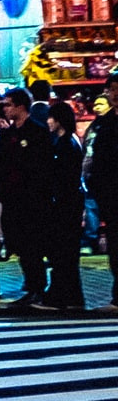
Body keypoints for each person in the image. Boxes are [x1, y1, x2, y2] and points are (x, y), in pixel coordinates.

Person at [0, 88, 54, 309]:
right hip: (11, 200)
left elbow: (42, 169)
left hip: (32, 200)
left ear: (20, 106)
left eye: (8, 104)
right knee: (18, 243)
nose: (5, 109)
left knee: (32, 245)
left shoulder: (37, 132)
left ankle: (37, 287)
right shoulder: (7, 134)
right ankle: (30, 285)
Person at [35, 101, 86, 311]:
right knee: (67, 253)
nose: (47, 122)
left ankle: (59, 296)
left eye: (50, 118)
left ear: (58, 120)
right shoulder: (69, 141)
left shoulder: (65, 144)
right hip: (70, 204)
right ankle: (72, 296)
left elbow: (62, 177)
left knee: (62, 252)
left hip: (65, 206)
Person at [89, 74, 118, 313]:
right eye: (112, 89)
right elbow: (98, 159)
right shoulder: (105, 123)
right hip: (110, 194)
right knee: (115, 248)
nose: (115, 94)